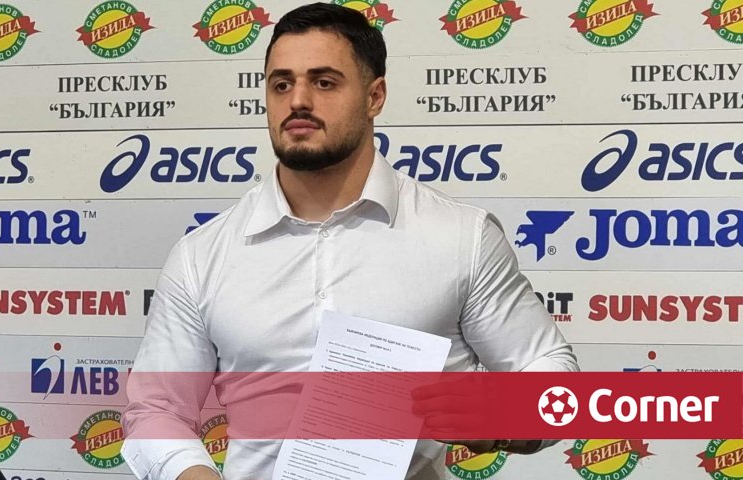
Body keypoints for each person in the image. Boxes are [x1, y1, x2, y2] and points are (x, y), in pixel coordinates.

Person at [121, 3, 578, 480]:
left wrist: (505, 415)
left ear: (375, 96)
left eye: (324, 82)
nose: (298, 101)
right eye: (281, 84)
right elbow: (155, 410)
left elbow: (552, 374)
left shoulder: (463, 237)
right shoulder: (201, 256)